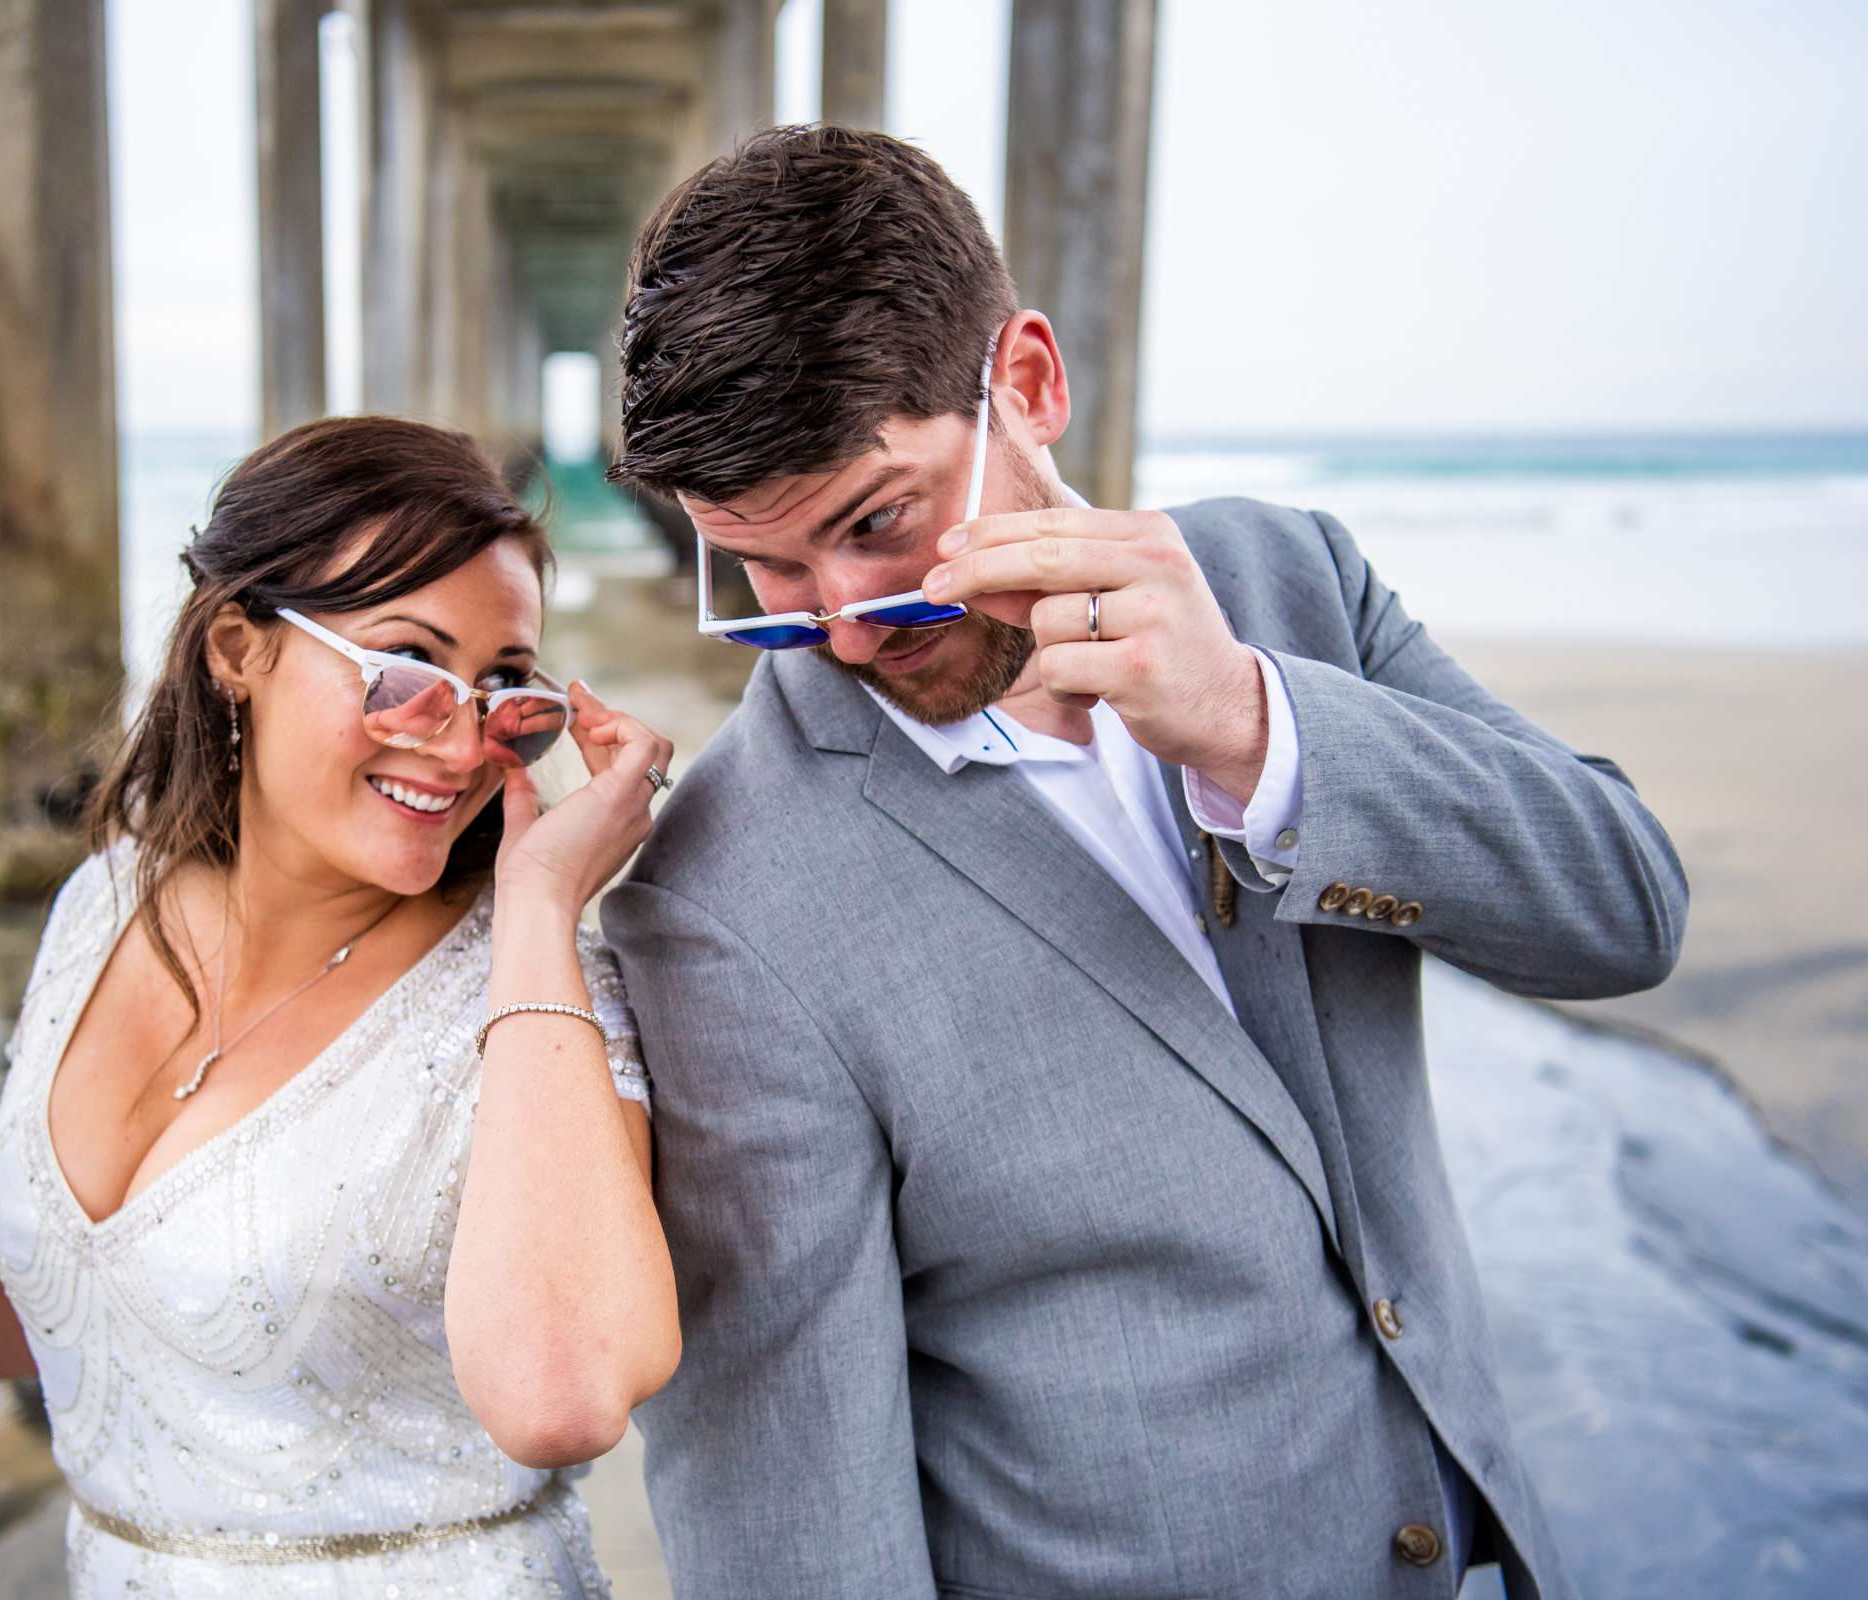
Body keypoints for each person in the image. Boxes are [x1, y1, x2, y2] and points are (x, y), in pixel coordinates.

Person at [602, 125, 1686, 1599]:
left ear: (1028, 385)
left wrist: (1253, 726)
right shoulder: (719, 907)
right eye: (769, 571)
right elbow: (791, 1512)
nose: (846, 624)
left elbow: (1624, 910)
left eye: (880, 524)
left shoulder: (1292, 583)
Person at [0, 416, 681, 1596]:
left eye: (502, 688)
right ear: (238, 647)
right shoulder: (107, 900)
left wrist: (536, 907)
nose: (461, 737)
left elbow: (567, 1396)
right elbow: (132, 1297)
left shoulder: (541, 999)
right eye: (405, 671)